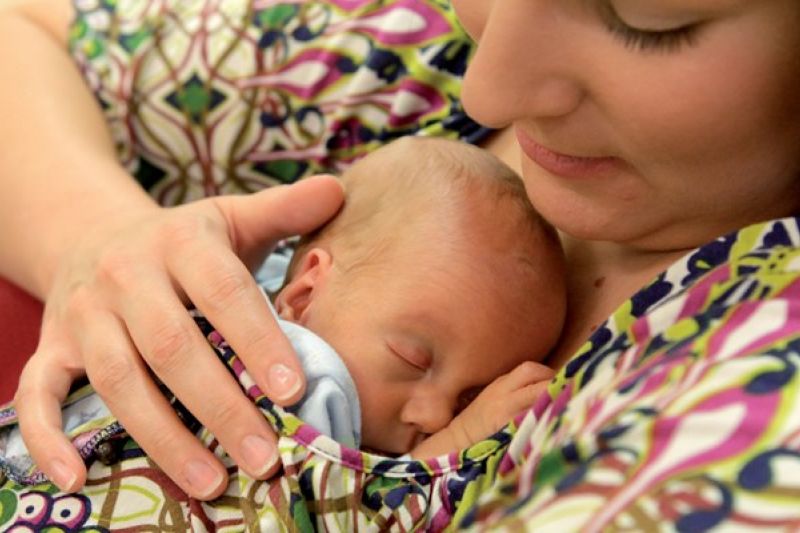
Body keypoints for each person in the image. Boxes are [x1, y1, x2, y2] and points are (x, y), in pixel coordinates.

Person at [2, 0, 800, 530]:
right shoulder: (415, 48)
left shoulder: (752, 408)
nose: (487, 91)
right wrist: (96, 234)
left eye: (644, 16)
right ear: (307, 280)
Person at [0, 137, 562, 483]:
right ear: (303, 297)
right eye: (413, 359)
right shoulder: (301, 370)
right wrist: (462, 440)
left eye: (469, 396)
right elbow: (338, 497)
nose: (437, 416)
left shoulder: (280, 293)